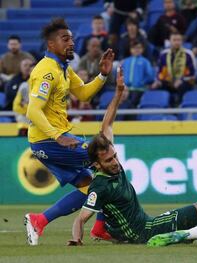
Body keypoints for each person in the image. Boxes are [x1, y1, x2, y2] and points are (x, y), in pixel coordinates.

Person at [66, 72, 197, 244]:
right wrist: (76, 240)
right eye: (109, 160)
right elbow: (80, 219)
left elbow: (108, 124)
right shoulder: (99, 187)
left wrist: (119, 92)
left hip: (145, 227)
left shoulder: (109, 157)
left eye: (114, 157)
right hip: (148, 232)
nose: (115, 162)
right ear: (97, 165)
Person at [23, 18, 115, 246]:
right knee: (108, 161)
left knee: (90, 188)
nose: (71, 43)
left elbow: (83, 94)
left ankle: (39, 220)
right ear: (51, 44)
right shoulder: (46, 72)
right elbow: (32, 110)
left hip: (54, 140)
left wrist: (102, 76)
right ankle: (100, 227)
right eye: (65, 39)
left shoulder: (63, 68)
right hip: (50, 141)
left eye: (72, 38)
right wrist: (57, 136)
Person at [152, 33, 196, 106]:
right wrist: (159, 81)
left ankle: (179, 106)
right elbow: (160, 71)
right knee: (158, 86)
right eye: (174, 40)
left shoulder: (188, 54)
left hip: (185, 81)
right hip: (169, 81)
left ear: (182, 41)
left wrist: (181, 80)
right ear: (170, 41)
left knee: (182, 86)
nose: (176, 42)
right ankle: (164, 108)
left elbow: (192, 73)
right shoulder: (164, 54)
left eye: (178, 40)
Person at [122, 41, 155, 107]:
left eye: (139, 48)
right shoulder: (125, 61)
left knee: (131, 105)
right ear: (130, 49)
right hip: (126, 90)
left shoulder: (145, 61)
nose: (136, 50)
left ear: (142, 49)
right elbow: (121, 74)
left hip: (139, 89)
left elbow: (150, 75)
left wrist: (142, 82)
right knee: (123, 104)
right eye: (134, 48)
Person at [12, 61, 35, 136]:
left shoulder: (47, 86)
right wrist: (28, 110)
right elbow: (16, 106)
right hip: (27, 118)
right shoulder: (24, 86)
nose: (34, 73)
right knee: (21, 119)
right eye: (32, 71)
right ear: (29, 72)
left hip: (44, 119)